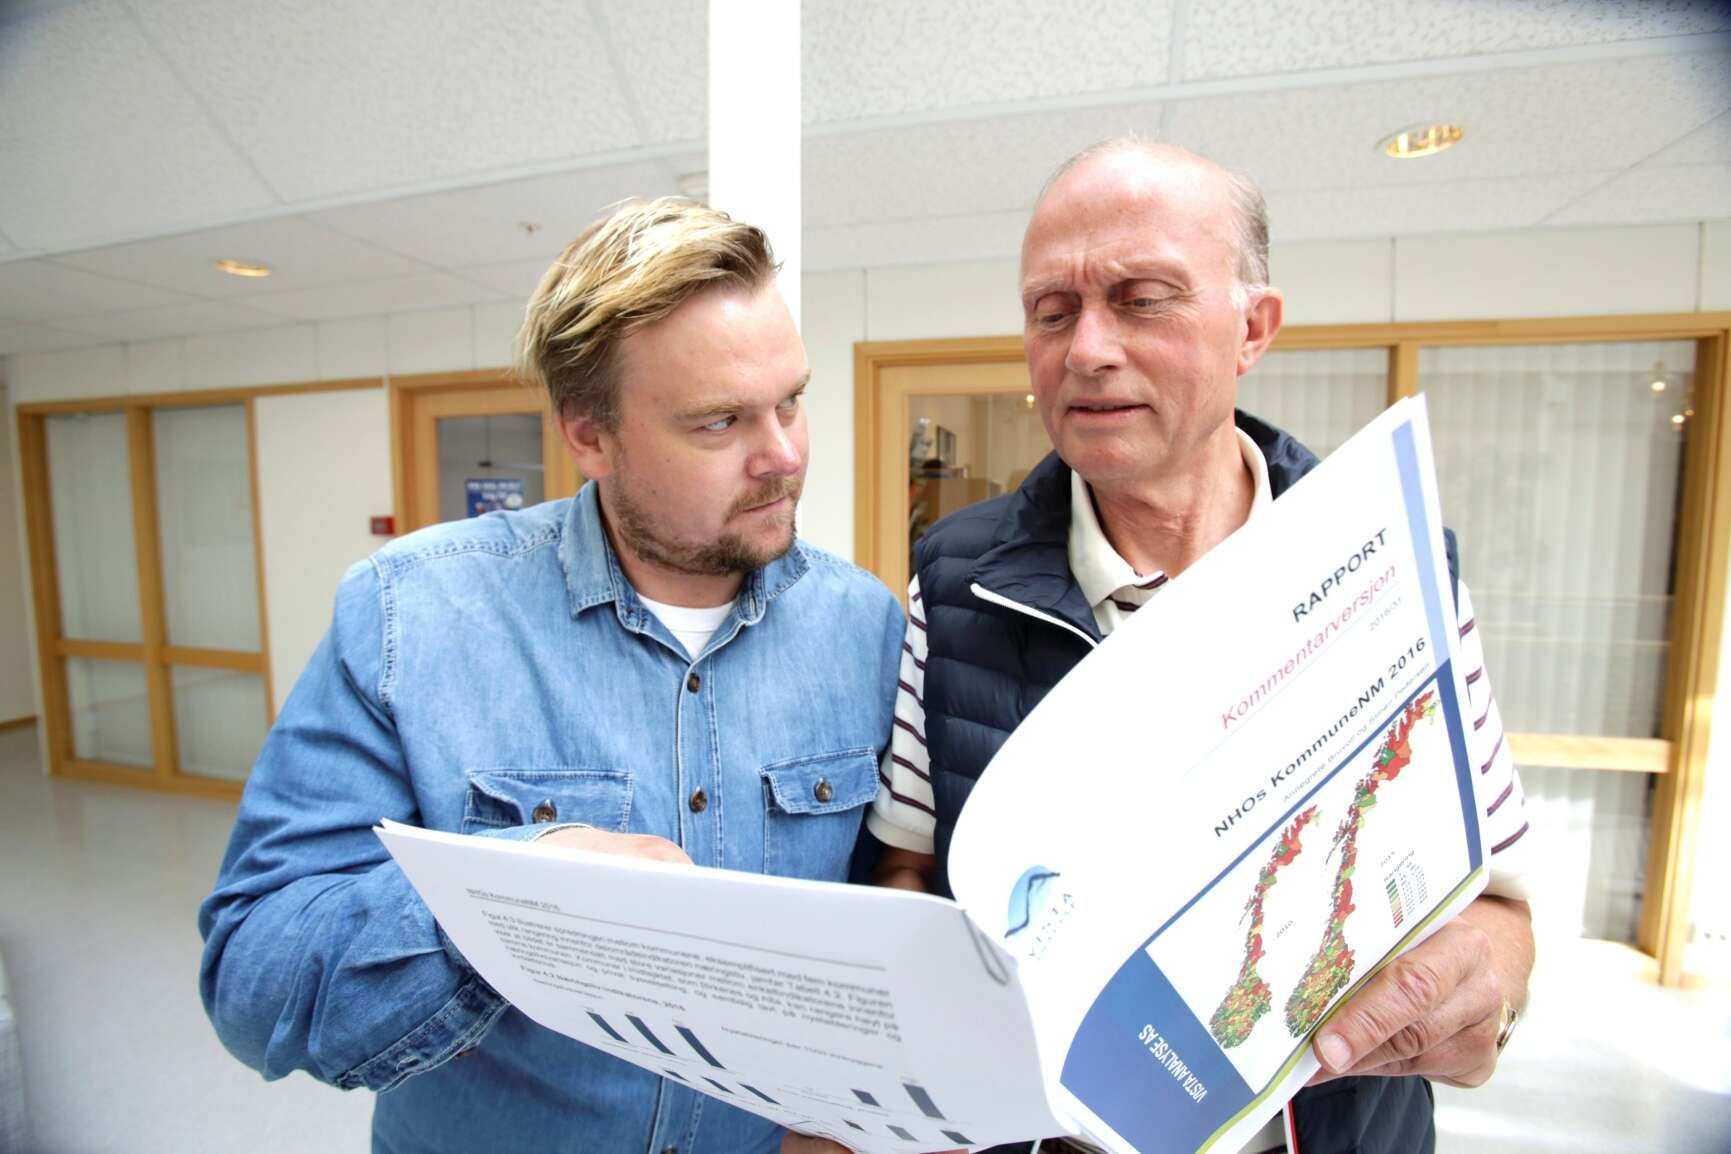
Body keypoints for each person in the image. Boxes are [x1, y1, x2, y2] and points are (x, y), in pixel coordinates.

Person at [861, 141, 1535, 1154]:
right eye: (1052, 311)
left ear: (1252, 328)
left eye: (1141, 300)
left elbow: (1500, 905)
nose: (1086, 349)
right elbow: (904, 868)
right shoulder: (954, 580)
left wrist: (1488, 994)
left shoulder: (1395, 562)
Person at [199, 198, 905, 1154]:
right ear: (589, 436)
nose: (783, 454)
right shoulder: (411, 615)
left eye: (790, 401)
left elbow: (873, 935)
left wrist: (856, 1112)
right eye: (718, 422)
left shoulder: (863, 626)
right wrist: (521, 900)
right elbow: (257, 983)